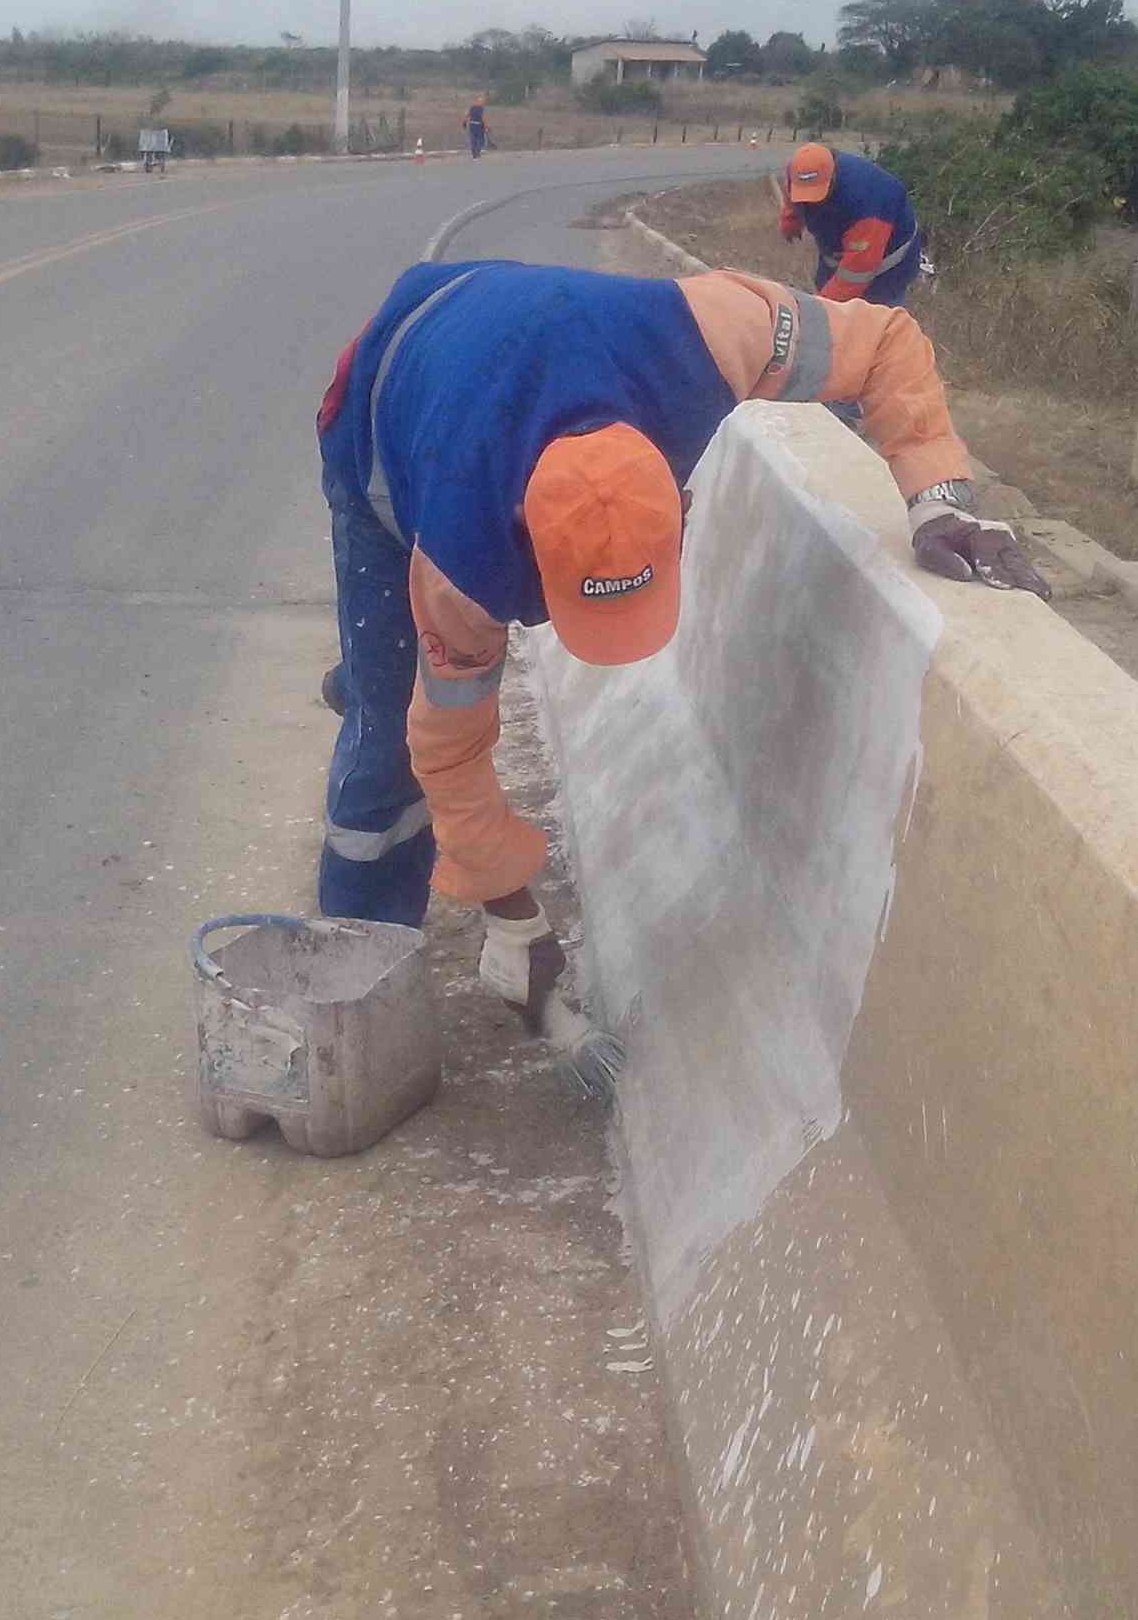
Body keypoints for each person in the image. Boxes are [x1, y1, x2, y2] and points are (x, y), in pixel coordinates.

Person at [311, 259, 1044, 1087]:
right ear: (524, 535)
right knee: (392, 748)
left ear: (681, 502)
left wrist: (938, 498)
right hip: (383, 400)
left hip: (535, 334)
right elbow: (451, 752)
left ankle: (370, 674)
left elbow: (885, 341)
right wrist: (510, 918)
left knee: (410, 695)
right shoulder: (460, 552)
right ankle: (359, 975)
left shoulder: (706, 337)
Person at [778, 142, 922, 307]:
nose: (809, 202)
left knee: (871, 321)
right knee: (827, 291)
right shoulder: (797, 171)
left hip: (888, 268)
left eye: (816, 194)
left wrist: (821, 309)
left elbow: (857, 272)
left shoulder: (868, 202)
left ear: (832, 178)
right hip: (841, 253)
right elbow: (793, 198)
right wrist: (791, 221)